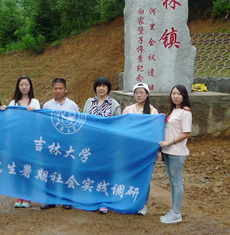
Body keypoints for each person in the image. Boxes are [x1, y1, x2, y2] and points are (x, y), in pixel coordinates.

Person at [82, 77, 120, 213]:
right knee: (93, 171)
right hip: (91, 143)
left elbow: (118, 124)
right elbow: (84, 120)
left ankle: (105, 201)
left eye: (104, 86)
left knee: (106, 172)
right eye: (99, 86)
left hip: (107, 144)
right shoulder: (89, 102)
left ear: (108, 88)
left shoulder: (114, 104)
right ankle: (93, 199)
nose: (101, 88)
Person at [122, 82, 159, 215]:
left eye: (141, 92)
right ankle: (129, 200)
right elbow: (122, 127)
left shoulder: (153, 111)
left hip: (145, 150)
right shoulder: (128, 110)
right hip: (130, 149)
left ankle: (143, 204)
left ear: (147, 94)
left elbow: (155, 132)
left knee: (144, 176)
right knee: (129, 174)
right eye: (136, 92)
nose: (139, 95)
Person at [41, 78, 78, 209]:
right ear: (52, 89)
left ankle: (67, 200)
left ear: (65, 89)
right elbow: (44, 124)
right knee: (49, 171)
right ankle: (50, 200)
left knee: (66, 171)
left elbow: (76, 126)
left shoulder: (73, 106)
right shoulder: (46, 106)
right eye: (55, 88)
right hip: (51, 144)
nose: (58, 91)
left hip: (67, 144)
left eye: (60, 88)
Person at [158, 84, 193, 224]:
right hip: (167, 151)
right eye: (173, 93)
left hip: (176, 152)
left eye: (179, 94)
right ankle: (173, 210)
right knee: (173, 183)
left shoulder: (186, 112)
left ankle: (176, 213)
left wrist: (169, 142)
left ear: (184, 96)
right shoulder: (174, 110)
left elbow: (186, 133)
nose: (175, 96)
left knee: (177, 183)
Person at [8, 75, 39, 207]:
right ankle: (18, 195)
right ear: (18, 86)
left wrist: (34, 112)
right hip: (16, 139)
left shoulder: (35, 102)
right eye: (21, 85)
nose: (24, 87)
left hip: (30, 140)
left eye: (26, 84)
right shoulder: (13, 103)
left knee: (28, 166)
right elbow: (9, 120)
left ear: (30, 86)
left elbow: (39, 120)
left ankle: (27, 196)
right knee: (17, 166)